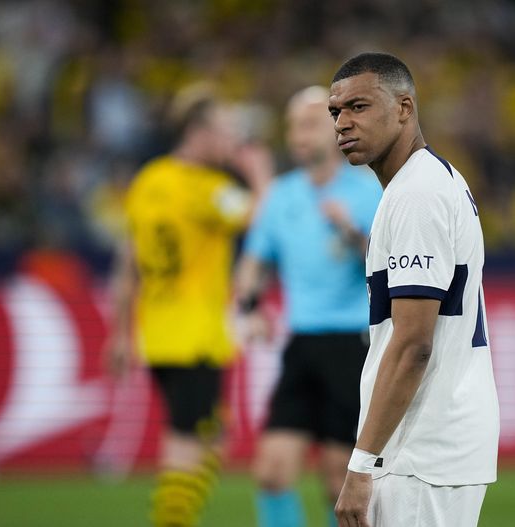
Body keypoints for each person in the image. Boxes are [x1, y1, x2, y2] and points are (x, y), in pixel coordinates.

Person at [328, 53, 500, 527]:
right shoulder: (431, 180)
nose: (342, 123)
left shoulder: (415, 195)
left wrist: (360, 466)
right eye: (336, 112)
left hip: (422, 453)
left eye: (358, 107)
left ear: (404, 108)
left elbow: (412, 345)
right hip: (433, 448)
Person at [105, 87, 271, 527]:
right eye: (226, 131)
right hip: (195, 335)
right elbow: (267, 221)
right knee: (187, 446)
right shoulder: (208, 189)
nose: (233, 142)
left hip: (155, 335)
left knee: (212, 435)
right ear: (199, 132)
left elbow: (127, 264)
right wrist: (258, 173)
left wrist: (120, 334)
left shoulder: (147, 181)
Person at [236, 85, 382, 527]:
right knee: (272, 472)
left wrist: (354, 235)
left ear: (335, 127)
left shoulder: (366, 192)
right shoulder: (282, 196)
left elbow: (391, 268)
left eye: (307, 125)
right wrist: (250, 307)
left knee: (339, 480)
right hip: (301, 344)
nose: (297, 136)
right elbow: (254, 264)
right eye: (291, 127)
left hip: (352, 345)